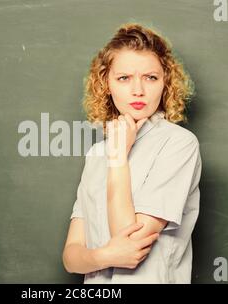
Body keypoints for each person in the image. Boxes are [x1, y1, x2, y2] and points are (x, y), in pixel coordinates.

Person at [62, 23, 202, 283]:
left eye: (150, 77)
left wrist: (117, 159)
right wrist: (104, 257)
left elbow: (131, 244)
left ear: (165, 83)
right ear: (107, 84)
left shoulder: (179, 144)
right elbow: (71, 257)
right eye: (124, 78)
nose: (138, 90)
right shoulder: (96, 154)